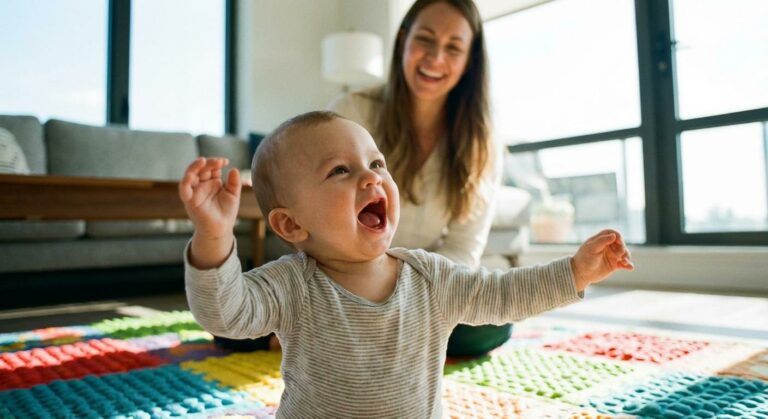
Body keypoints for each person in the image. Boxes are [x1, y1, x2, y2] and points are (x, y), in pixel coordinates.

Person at [180, 111, 634, 418]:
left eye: (376, 163)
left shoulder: (428, 276)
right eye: (340, 170)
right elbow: (225, 313)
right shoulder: (291, 286)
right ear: (291, 224)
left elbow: (500, 296)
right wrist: (214, 235)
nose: (372, 176)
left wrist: (573, 272)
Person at [328, 0, 508, 356]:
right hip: (347, 280)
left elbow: (463, 247)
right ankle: (373, 338)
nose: (435, 58)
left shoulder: (482, 143)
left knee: (491, 325)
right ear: (403, 40)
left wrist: (408, 293)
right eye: (425, 39)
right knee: (237, 324)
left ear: (469, 60)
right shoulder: (352, 111)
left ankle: (365, 340)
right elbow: (325, 220)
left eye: (453, 47)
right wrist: (372, 285)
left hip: (427, 290)